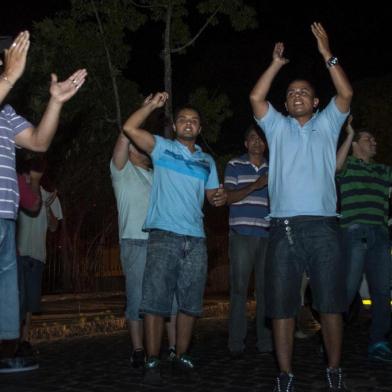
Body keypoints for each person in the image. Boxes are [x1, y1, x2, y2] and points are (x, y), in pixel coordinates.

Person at [249, 22, 353, 391]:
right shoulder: (276, 127)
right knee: (280, 307)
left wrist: (327, 54)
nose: (296, 96)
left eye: (303, 92)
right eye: (291, 92)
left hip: (323, 227)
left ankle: (334, 369)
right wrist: (276, 65)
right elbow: (256, 99)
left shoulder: (327, 125)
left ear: (315, 102)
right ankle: (285, 375)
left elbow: (346, 92)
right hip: (283, 228)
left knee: (330, 304)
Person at [122, 92, 227, 385]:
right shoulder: (162, 148)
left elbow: (212, 197)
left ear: (200, 128)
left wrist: (221, 197)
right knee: (155, 301)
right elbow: (129, 129)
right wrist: (150, 107)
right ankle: (153, 358)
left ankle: (180, 354)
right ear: (175, 126)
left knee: (190, 303)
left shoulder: (207, 161)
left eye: (194, 121)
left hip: (196, 238)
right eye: (183, 119)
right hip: (164, 235)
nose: (189, 124)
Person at [0, 30, 87, 373]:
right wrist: (8, 77)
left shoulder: (5, 112)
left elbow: (38, 142)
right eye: (7, 54)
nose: (12, 58)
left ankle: (5, 351)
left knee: (7, 300)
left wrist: (56, 102)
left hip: (6, 217)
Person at [110, 114, 177, 369]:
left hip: (162, 244)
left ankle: (172, 348)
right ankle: (138, 349)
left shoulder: (157, 176)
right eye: (135, 142)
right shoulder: (121, 171)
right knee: (136, 299)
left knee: (169, 299)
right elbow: (123, 136)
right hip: (135, 242)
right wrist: (146, 109)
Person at [336, 115, 392, 362]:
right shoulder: (347, 165)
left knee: (382, 291)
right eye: (368, 139)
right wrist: (349, 134)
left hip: (380, 234)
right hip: (354, 232)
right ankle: (331, 339)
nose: (374, 143)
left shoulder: (384, 170)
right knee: (347, 290)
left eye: (374, 139)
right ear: (356, 145)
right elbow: (334, 168)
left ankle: (378, 341)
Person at [224, 125, 272, 357]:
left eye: (261, 139)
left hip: (267, 235)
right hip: (241, 234)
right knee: (239, 290)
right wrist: (256, 185)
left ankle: (265, 342)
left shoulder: (274, 168)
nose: (256, 143)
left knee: (265, 291)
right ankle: (236, 343)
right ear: (246, 143)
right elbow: (227, 198)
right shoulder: (235, 165)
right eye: (252, 138)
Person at [16, 157, 63, 358]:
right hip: (18, 254)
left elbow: (54, 227)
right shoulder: (19, 192)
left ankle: (24, 341)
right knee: (16, 299)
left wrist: (47, 206)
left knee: (29, 303)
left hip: (37, 256)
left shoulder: (49, 197)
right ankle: (11, 341)